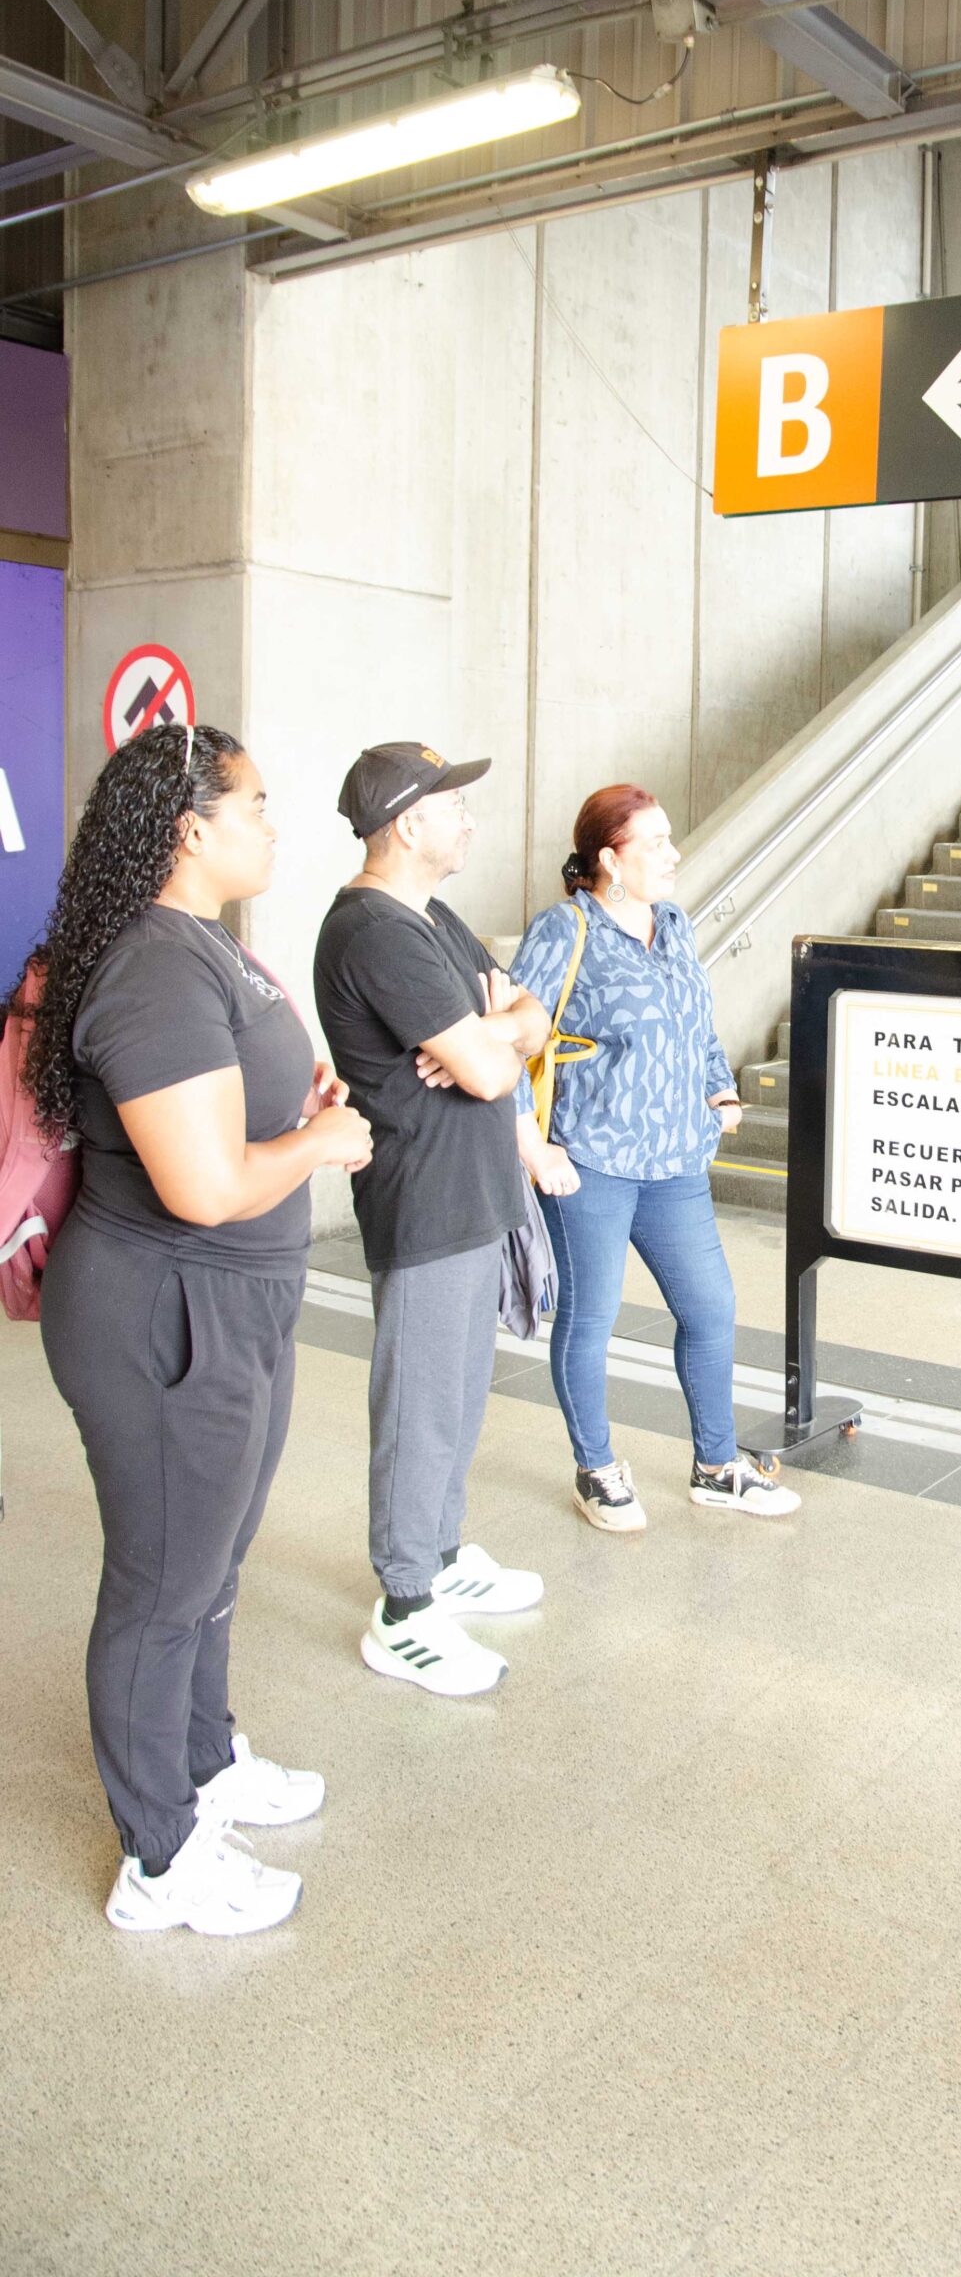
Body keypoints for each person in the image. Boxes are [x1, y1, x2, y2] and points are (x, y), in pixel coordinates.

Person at [22, 721, 373, 1936]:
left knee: (211, 1564)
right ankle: (159, 1855)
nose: (275, 824)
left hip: (230, 1303)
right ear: (191, 830)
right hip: (166, 1312)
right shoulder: (156, 967)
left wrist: (298, 1103)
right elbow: (208, 1186)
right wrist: (321, 1143)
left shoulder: (197, 945)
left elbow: (230, 1113)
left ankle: (207, 1762)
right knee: (163, 1585)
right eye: (258, 805)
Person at [313, 743, 551, 1699]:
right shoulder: (373, 932)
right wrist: (493, 1044)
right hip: (424, 1197)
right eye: (453, 806)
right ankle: (406, 1603)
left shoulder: (433, 918)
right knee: (418, 1406)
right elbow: (499, 1068)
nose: (468, 820)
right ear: (407, 824)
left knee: (456, 1398)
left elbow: (530, 1018)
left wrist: (490, 1034)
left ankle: (443, 1554)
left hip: (473, 1190)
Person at [509, 786, 799, 1528]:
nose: (673, 855)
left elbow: (696, 1021)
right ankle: (597, 1468)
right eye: (655, 843)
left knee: (710, 1307)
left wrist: (718, 1087)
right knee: (591, 1317)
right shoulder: (564, 930)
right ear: (608, 858)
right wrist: (533, 1147)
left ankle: (716, 1464)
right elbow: (510, 1042)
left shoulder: (672, 922)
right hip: (592, 1158)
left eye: (672, 839)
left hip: (675, 1160)